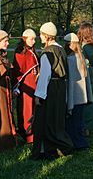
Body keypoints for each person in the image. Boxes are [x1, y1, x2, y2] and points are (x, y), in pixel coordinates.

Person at [32, 22, 73, 159]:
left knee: (47, 119)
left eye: (41, 34)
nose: (40, 37)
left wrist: (39, 95)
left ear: (47, 36)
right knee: (57, 118)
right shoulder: (61, 49)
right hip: (61, 87)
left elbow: (45, 76)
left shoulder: (47, 53)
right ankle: (57, 146)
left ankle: (57, 146)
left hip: (51, 88)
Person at [64, 33, 93, 149]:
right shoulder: (81, 58)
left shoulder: (70, 60)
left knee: (73, 122)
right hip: (82, 96)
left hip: (74, 96)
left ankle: (77, 143)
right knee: (79, 120)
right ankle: (81, 142)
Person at [12, 29, 39, 144]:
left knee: (34, 108)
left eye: (34, 39)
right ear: (25, 39)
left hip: (34, 84)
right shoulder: (20, 52)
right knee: (26, 109)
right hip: (25, 86)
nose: (33, 41)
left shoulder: (32, 51)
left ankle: (34, 131)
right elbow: (18, 72)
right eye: (31, 39)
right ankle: (28, 134)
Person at [77, 22, 93, 136]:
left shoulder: (83, 47)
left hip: (84, 73)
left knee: (85, 98)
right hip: (92, 73)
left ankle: (84, 126)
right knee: (92, 99)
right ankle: (88, 125)